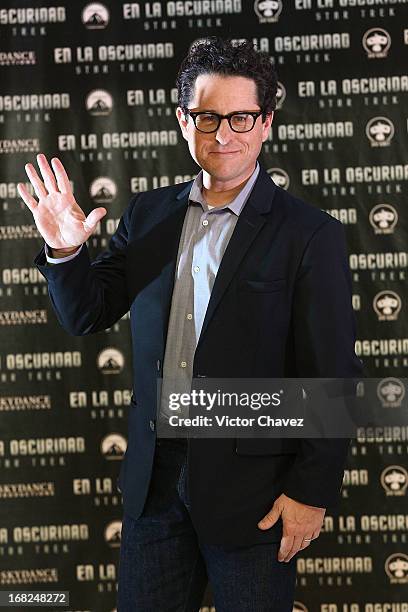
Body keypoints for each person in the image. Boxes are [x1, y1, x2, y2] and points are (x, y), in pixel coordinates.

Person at [18, 37, 362, 612]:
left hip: (256, 492)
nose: (223, 134)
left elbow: (333, 373)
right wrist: (64, 253)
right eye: (207, 117)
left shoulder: (310, 233)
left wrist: (310, 492)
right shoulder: (149, 214)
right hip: (155, 483)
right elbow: (86, 315)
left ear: (266, 122)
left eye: (241, 118)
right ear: (183, 121)